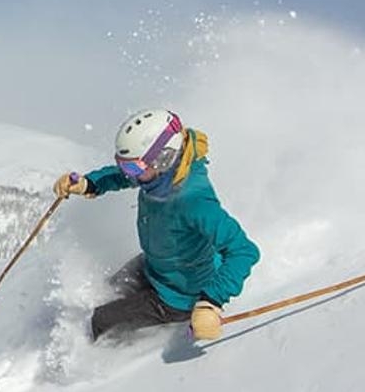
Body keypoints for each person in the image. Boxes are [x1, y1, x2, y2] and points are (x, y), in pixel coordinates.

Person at [57, 109, 260, 344]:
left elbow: (244, 251)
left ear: (164, 157)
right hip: (156, 266)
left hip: (180, 296)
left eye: (132, 169)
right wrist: (89, 184)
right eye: (124, 165)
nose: (128, 175)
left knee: (100, 320)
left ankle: (91, 370)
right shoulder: (158, 176)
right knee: (101, 292)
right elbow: (122, 177)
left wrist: (211, 302)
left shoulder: (194, 201)